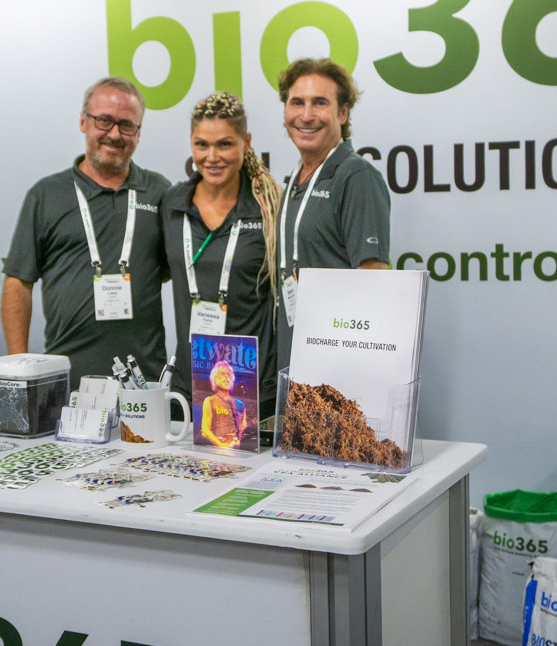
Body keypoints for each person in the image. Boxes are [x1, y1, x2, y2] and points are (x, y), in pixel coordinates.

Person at [2, 77, 171, 387]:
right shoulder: (46, 195)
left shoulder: (159, 192)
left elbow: (169, 270)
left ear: (138, 132)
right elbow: (18, 283)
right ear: (83, 122)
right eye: (103, 121)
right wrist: (18, 371)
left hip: (145, 382)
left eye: (127, 125)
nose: (114, 134)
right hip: (67, 382)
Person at [161, 91, 281, 418]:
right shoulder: (171, 203)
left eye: (225, 144)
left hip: (254, 389)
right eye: (202, 145)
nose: (212, 157)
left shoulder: (270, 206)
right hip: (190, 387)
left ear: (246, 142)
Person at [275, 57, 390, 373]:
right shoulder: (296, 179)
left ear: (343, 113)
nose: (306, 115)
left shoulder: (357, 176)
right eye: (297, 102)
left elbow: (373, 280)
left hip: (337, 367)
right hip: (295, 361)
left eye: (320, 103)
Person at [200, 359, 247, 448]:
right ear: (215, 378)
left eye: (228, 374)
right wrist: (220, 445)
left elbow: (244, 429)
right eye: (222, 374)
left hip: (237, 449)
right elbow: (205, 430)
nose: (226, 377)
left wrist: (239, 443)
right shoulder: (210, 401)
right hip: (218, 449)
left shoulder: (240, 404)